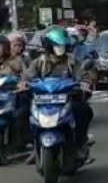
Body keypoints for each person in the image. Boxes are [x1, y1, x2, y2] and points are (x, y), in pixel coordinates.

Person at [23, 26, 94, 162]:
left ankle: (80, 145)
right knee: (25, 113)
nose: (60, 48)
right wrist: (23, 83)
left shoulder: (72, 61)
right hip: (43, 100)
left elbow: (83, 75)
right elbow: (28, 76)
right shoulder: (40, 62)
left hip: (67, 99)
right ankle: (36, 146)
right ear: (49, 46)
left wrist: (85, 84)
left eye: (62, 45)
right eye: (56, 45)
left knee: (83, 111)